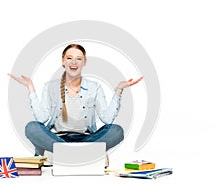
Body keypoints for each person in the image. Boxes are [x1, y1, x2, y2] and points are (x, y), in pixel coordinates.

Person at [8, 44, 143, 156]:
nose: (74, 62)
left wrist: (119, 89)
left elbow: (107, 120)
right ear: (63, 61)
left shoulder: (94, 87)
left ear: (84, 62)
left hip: (87, 139)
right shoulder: (50, 87)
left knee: (116, 130)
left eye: (79, 59)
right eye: (69, 58)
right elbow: (42, 119)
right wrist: (31, 88)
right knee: (31, 127)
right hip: (56, 139)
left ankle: (69, 155)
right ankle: (79, 155)